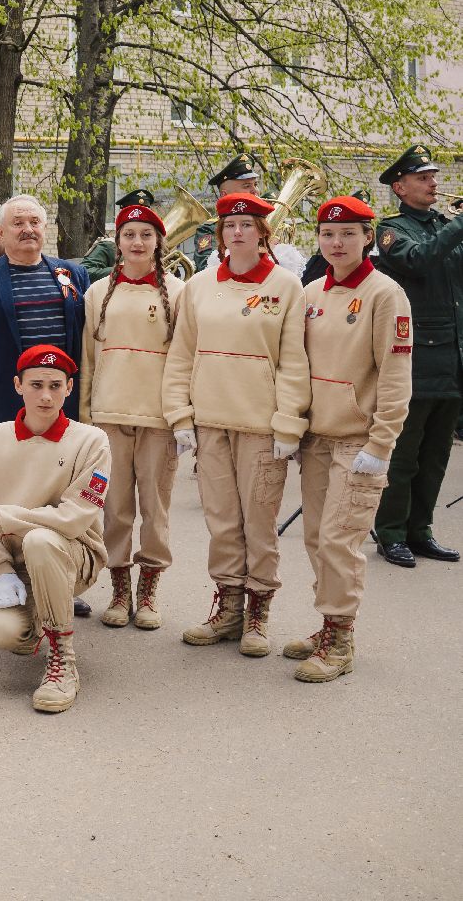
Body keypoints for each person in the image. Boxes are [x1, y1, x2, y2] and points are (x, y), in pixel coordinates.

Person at [164, 192, 309, 657]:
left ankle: (258, 612)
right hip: (210, 422)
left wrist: (289, 423)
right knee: (223, 522)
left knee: (259, 524)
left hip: (261, 427)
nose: (237, 232)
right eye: (229, 225)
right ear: (220, 233)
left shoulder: (287, 286)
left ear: (263, 232)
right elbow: (181, 354)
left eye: (247, 224)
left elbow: (293, 361)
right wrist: (180, 414)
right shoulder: (200, 286)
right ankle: (228, 610)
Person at [287, 196, 413, 682]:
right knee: (317, 538)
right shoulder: (311, 292)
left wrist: (381, 444)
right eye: (327, 234)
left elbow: (395, 374)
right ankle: (328, 623)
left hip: (358, 441)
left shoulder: (386, 294)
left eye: (347, 234)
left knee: (340, 539)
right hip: (317, 437)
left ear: (367, 238)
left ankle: (340, 638)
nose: (336, 243)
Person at [0, 196, 90, 590]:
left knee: (58, 492)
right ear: (3, 232)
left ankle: (57, 579)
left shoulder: (72, 275)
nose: (28, 230)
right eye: (18, 223)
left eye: (35, 222)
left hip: (60, 405)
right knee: (2, 493)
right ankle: (0, 574)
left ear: (45, 228)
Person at [0, 346, 109, 713]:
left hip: (71, 555)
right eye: (36, 385)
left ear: (69, 388)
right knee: (6, 634)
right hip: (13, 564)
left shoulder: (92, 441)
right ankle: (39, 614)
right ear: (17, 385)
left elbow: (74, 518)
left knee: (41, 540)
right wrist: (0, 570)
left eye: (55, 386)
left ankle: (63, 660)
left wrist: (2, 519)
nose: (46, 396)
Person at [78, 203, 184, 630]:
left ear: (158, 242)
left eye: (145, 235)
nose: (137, 242)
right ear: (117, 242)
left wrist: (181, 416)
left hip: (159, 417)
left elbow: (184, 359)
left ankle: (149, 589)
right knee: (115, 509)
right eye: (129, 235)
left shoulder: (178, 292)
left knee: (156, 509)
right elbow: (88, 357)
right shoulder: (96, 292)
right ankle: (120, 589)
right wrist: (85, 415)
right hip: (108, 414)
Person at [371, 145, 463, 566]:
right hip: (418, 358)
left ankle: (421, 530)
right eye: (423, 177)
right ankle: (391, 532)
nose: (433, 183)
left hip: (452, 358)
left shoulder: (445, 225)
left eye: (433, 176)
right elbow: (419, 261)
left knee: (436, 456)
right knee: (405, 455)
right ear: (400, 187)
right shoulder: (392, 230)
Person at [191, 154, 262, 272]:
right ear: (224, 195)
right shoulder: (209, 229)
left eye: (255, 184)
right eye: (246, 186)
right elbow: (207, 268)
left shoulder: (265, 222)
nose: (255, 191)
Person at [79, 188, 156, 279]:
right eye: (129, 234)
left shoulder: (153, 246)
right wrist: (122, 270)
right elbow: (84, 272)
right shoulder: (108, 245)